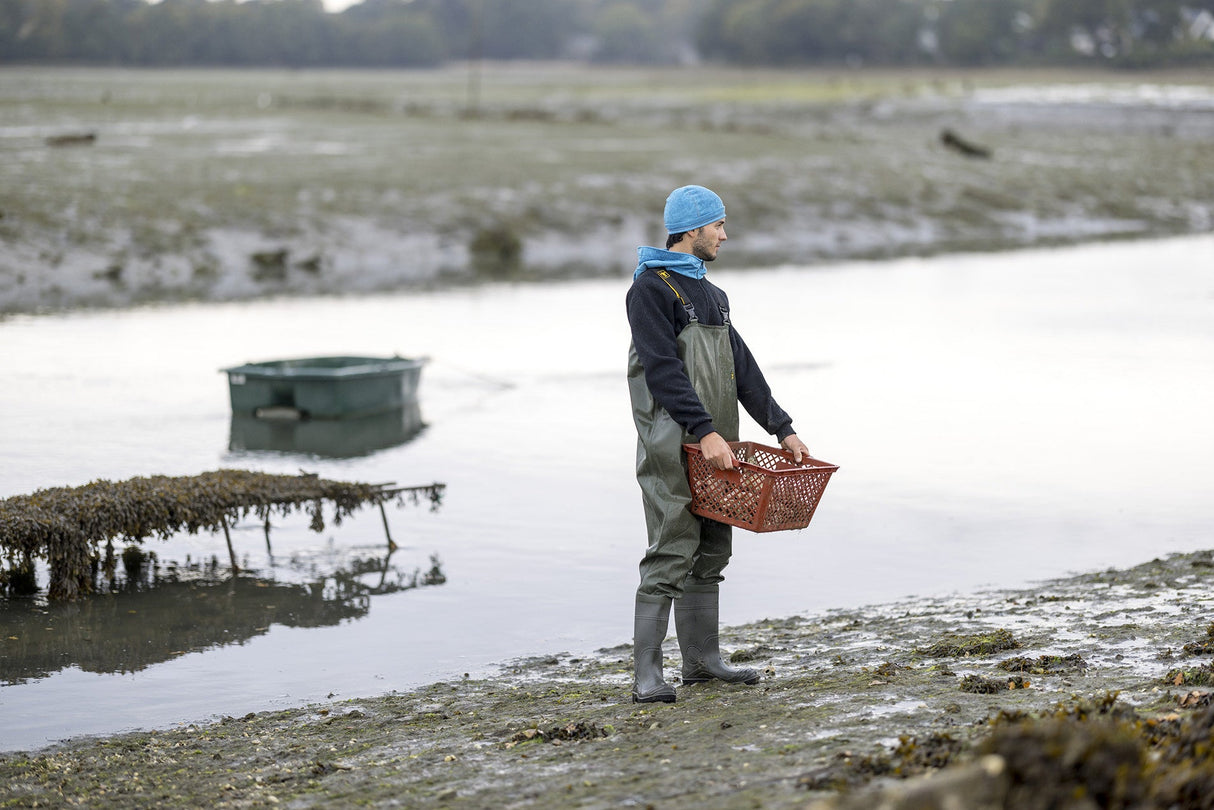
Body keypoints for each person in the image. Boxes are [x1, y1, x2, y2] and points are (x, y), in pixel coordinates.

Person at [625, 184, 811, 704]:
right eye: (718, 226)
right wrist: (702, 431)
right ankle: (646, 676)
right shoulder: (650, 290)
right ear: (691, 230)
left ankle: (702, 664)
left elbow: (742, 368)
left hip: (718, 445)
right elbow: (662, 371)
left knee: (711, 549)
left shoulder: (713, 294)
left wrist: (782, 426)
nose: (725, 236)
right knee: (670, 548)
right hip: (671, 444)